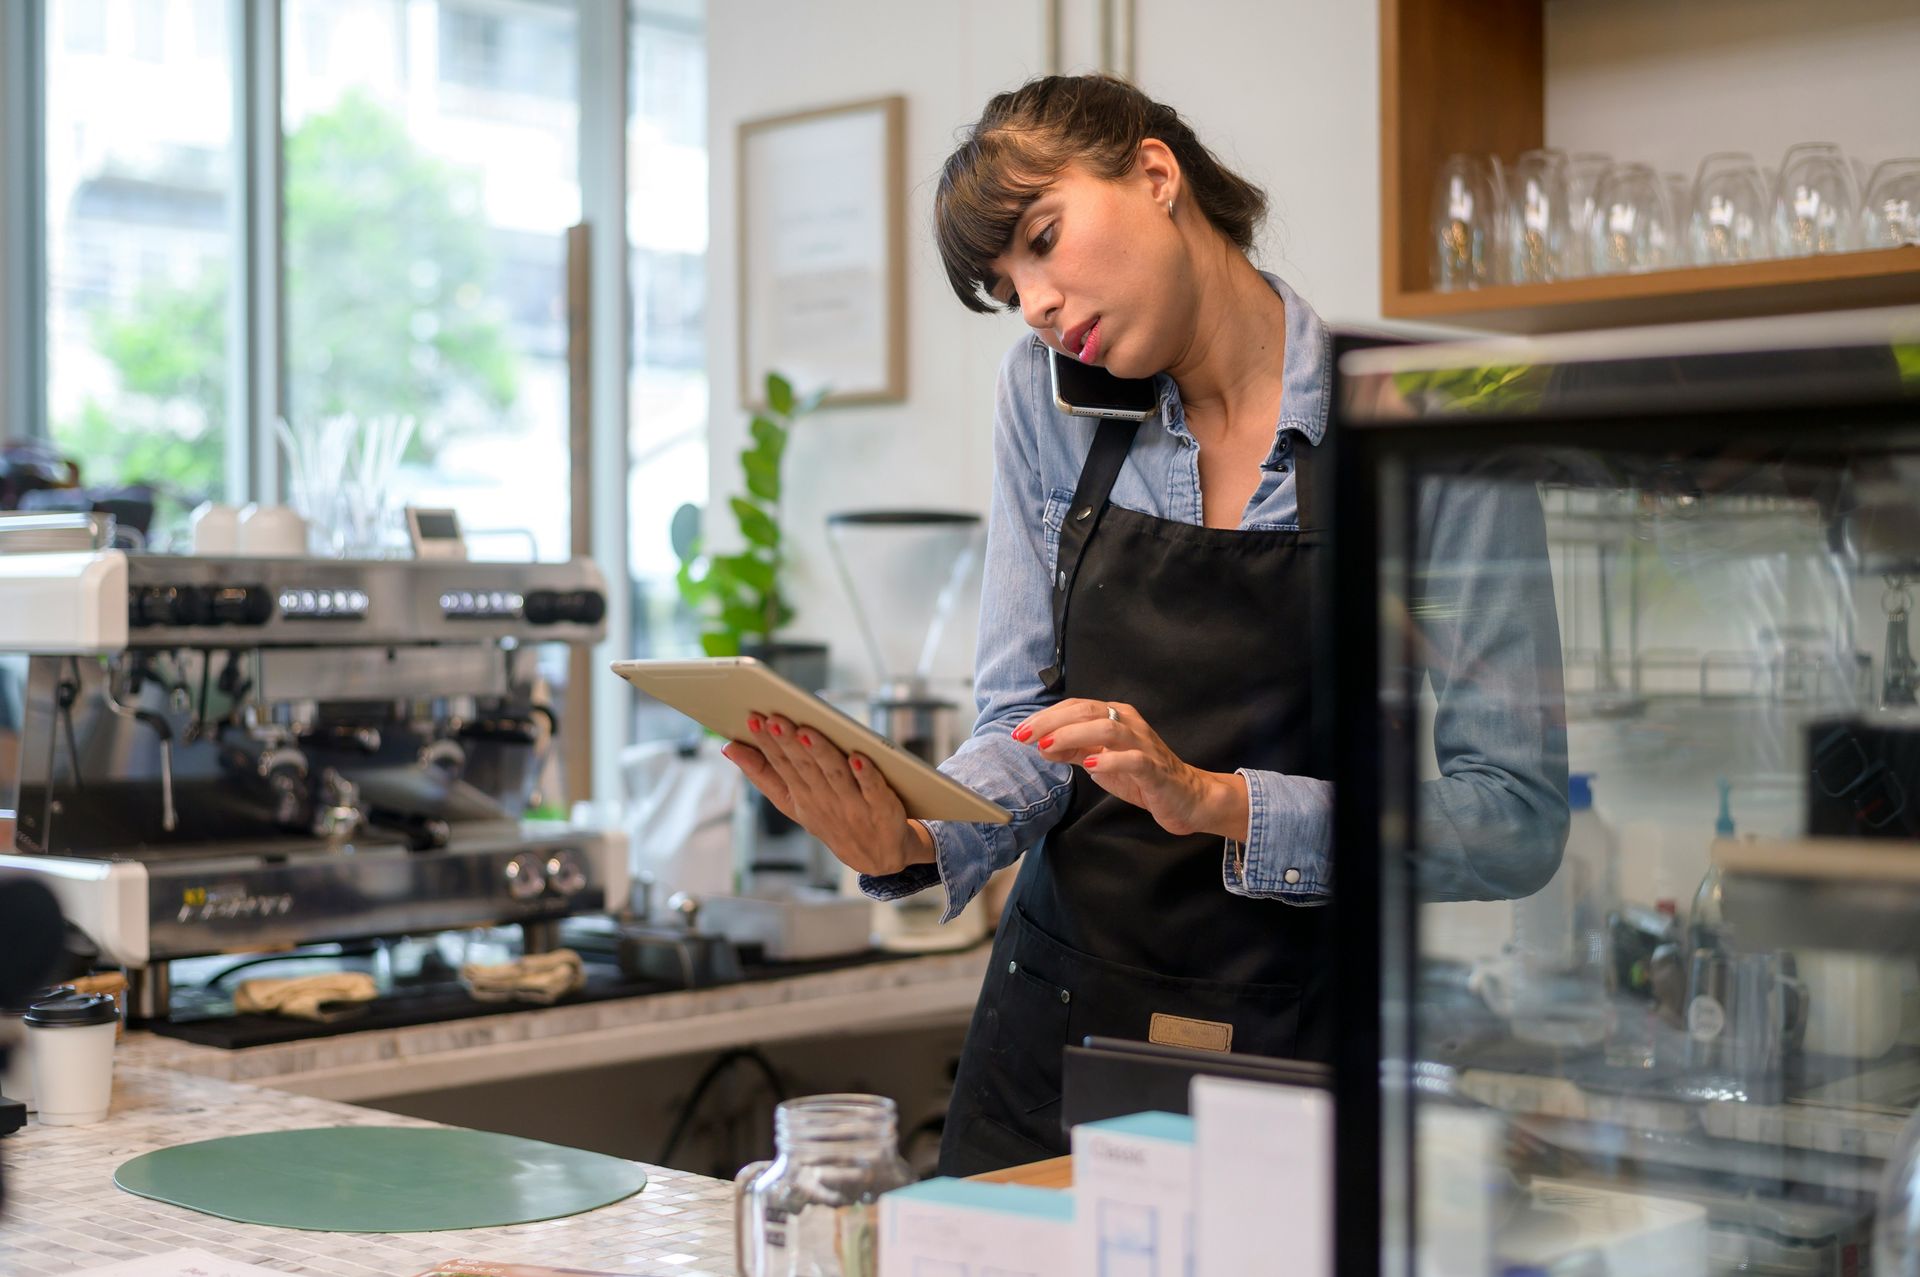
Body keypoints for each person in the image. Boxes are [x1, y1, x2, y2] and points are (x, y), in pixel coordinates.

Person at [721, 74, 1567, 1174]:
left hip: (1302, 1056)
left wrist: (1219, 803)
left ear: (1157, 175)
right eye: (1004, 283)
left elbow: (1515, 816)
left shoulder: (1428, 423)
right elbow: (1026, 723)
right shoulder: (1047, 397)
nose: (1031, 302)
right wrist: (922, 838)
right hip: (1056, 1035)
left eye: (1042, 237)